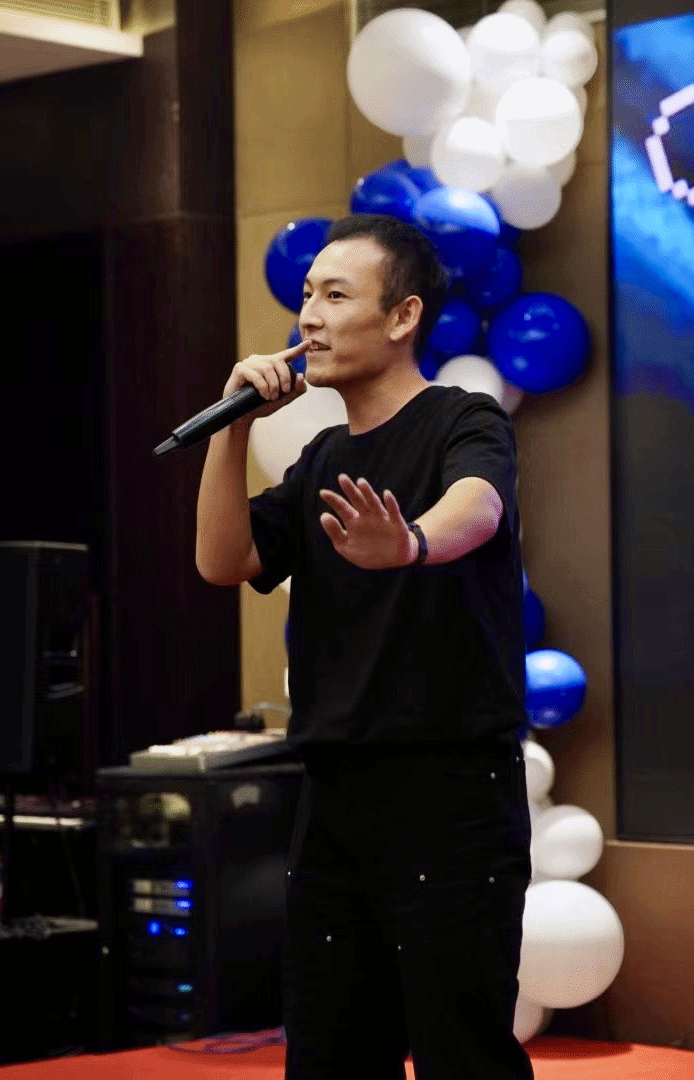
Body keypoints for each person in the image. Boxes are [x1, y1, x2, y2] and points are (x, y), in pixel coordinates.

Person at [195, 213, 533, 1080]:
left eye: (336, 296)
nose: (309, 316)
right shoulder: (320, 458)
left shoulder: (463, 417)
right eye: (307, 294)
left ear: (402, 316)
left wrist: (410, 543)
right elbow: (222, 559)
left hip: (451, 789)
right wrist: (233, 428)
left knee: (463, 1052)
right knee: (331, 1053)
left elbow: (478, 507)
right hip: (336, 796)